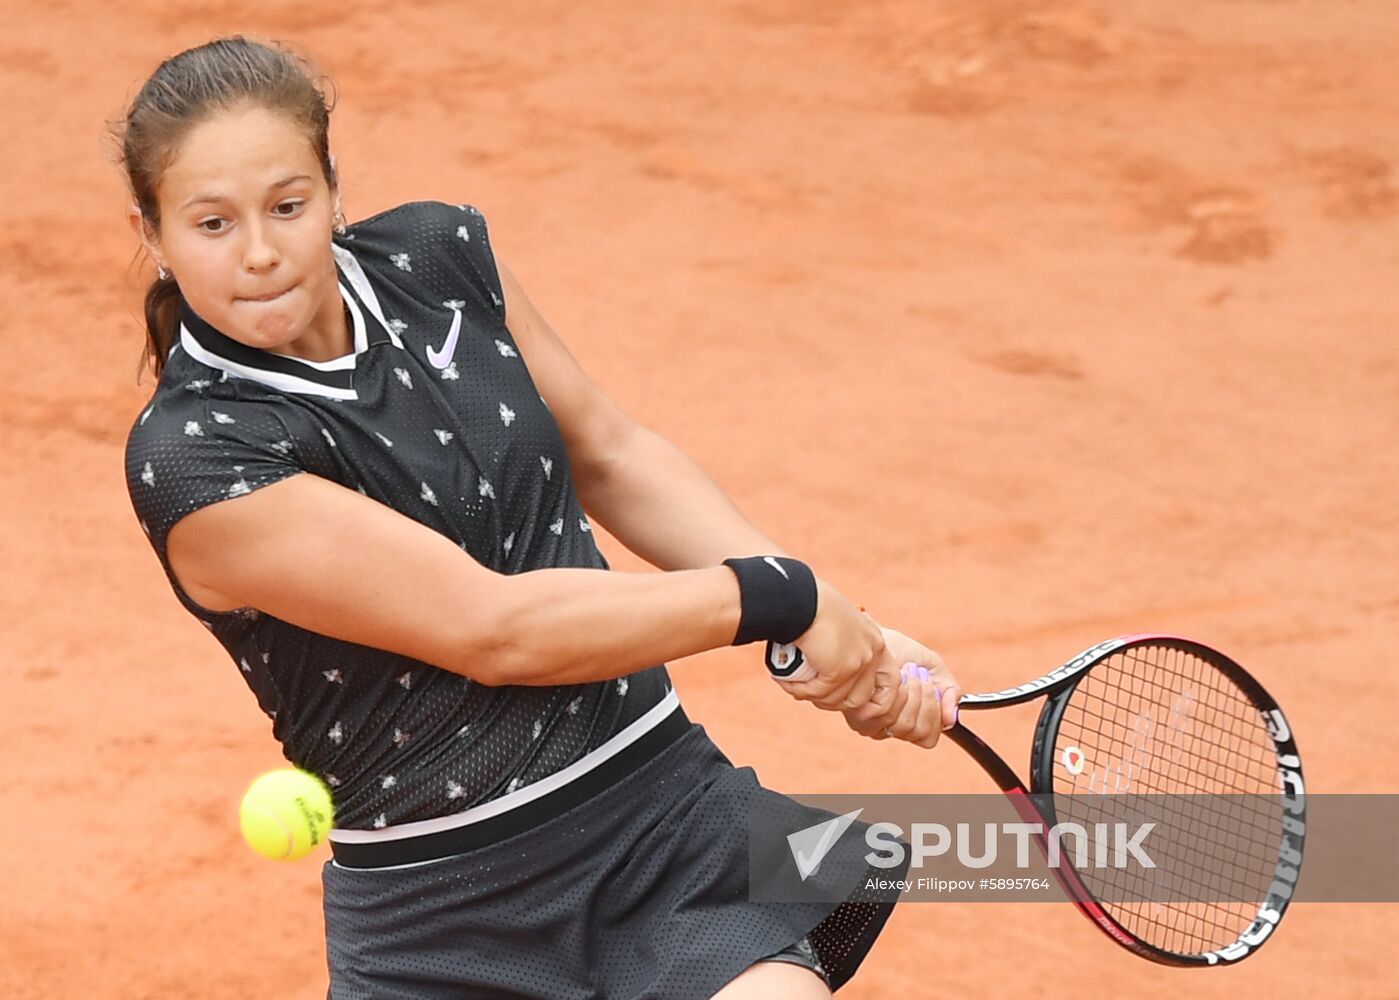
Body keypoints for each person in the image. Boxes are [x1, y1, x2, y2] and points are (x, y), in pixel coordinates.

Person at [117, 35, 961, 1000]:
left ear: (333, 187)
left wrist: (833, 629)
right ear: (153, 234)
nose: (260, 252)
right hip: (442, 926)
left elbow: (609, 451)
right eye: (212, 224)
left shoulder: (439, 259)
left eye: (288, 206)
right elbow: (496, 629)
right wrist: (783, 597)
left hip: (664, 829)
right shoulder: (196, 457)